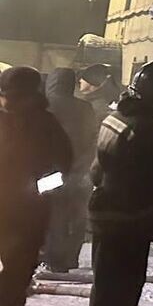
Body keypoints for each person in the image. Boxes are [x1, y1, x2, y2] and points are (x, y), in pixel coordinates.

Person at [86, 60, 153, 306]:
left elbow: (96, 171)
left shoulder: (115, 117)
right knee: (123, 288)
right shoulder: (146, 128)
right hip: (128, 224)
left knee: (105, 287)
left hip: (105, 216)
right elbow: (152, 183)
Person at [0, 66, 73, 306]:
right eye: (5, 96)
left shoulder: (48, 127)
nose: (9, 102)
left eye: (16, 97)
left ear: (32, 96)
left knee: (16, 278)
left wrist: (36, 190)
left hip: (28, 219)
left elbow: (62, 171)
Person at [43, 67, 100, 272]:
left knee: (52, 216)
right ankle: (70, 258)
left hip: (49, 175)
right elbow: (94, 139)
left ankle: (53, 259)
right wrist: (82, 167)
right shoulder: (85, 108)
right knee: (77, 217)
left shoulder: (44, 108)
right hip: (80, 174)